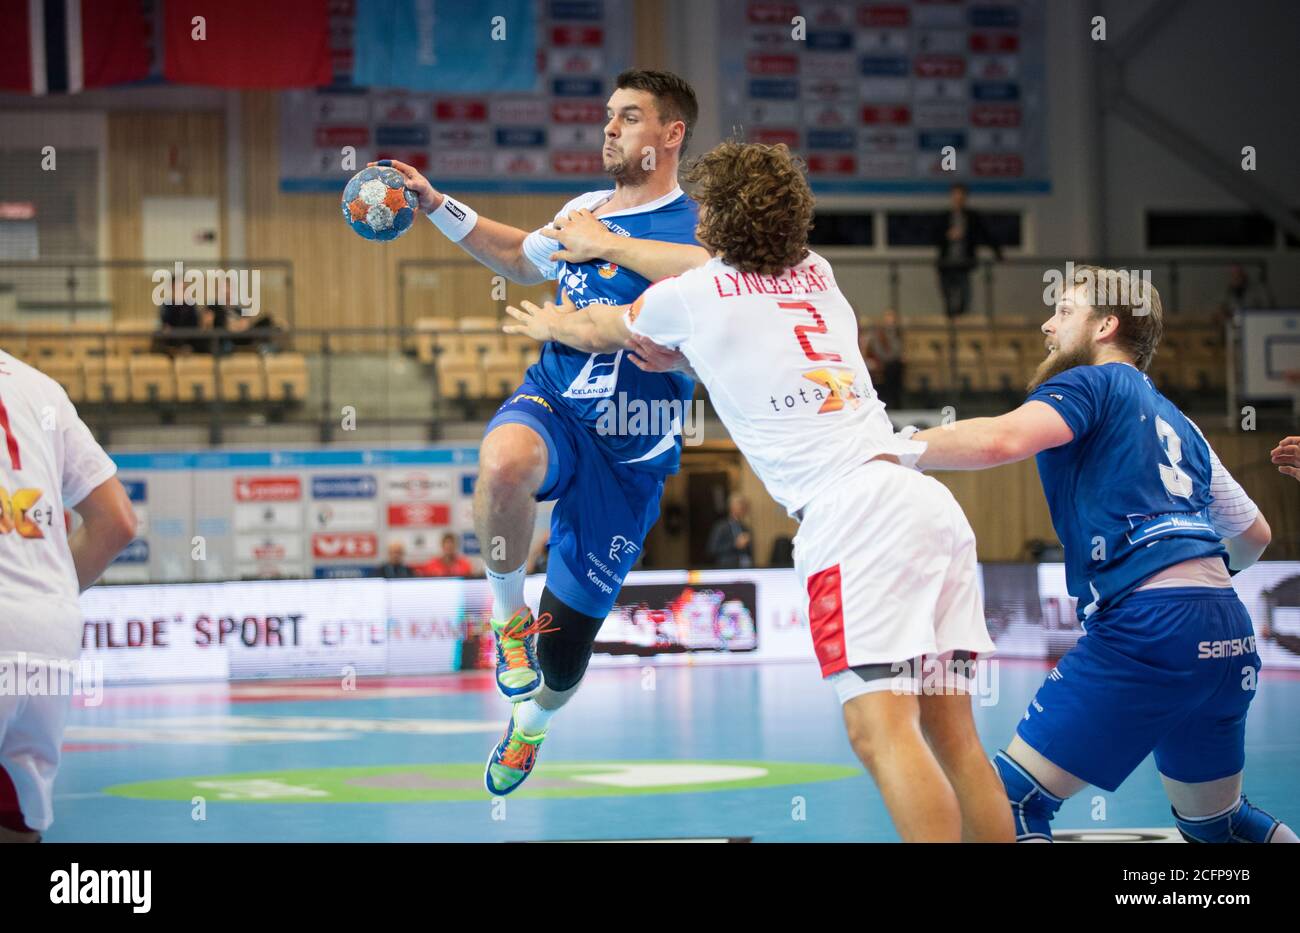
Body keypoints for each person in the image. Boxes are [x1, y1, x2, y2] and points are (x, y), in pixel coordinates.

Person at [505, 142, 1013, 842]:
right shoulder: (817, 270)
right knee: (955, 736)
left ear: (716, 217)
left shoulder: (691, 296)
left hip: (851, 516)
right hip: (921, 499)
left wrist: (549, 323)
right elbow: (735, 308)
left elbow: (600, 325)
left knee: (881, 732)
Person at [380, 70, 708, 796]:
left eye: (629, 117)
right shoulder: (582, 209)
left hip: (632, 449)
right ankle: (505, 617)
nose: (610, 129)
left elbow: (728, 329)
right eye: (608, 117)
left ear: (671, 134)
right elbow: (513, 258)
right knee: (503, 462)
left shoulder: (699, 231)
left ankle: (531, 725)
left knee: (561, 669)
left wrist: (683, 354)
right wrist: (436, 205)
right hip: (556, 406)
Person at [910, 264, 1294, 844]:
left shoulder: (1090, 383)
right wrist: (1191, 586)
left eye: (1064, 311)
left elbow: (998, 440)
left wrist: (882, 450)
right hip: (1228, 633)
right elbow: (1255, 536)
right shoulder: (1181, 422)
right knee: (1221, 826)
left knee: (1012, 803)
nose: (1047, 324)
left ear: (1106, 325)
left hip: (1148, 628)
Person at [0, 347, 136, 842]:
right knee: (17, 824)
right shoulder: (40, 387)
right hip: (49, 641)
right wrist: (46, 594)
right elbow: (118, 522)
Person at [934, 183, 1001, 318]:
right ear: (952, 197)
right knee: (948, 295)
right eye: (956, 195)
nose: (958, 198)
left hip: (964, 262)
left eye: (961, 195)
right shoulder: (944, 217)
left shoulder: (972, 217)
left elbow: (985, 234)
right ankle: (950, 320)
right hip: (946, 263)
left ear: (965, 197)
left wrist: (998, 253)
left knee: (964, 295)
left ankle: (960, 319)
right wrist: (947, 235)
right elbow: (932, 236)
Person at [863, 307, 905, 409]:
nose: (890, 320)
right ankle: (888, 401)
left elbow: (898, 351)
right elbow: (879, 352)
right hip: (883, 363)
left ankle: (897, 402)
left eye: (892, 317)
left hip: (894, 363)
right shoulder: (878, 335)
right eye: (887, 317)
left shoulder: (898, 334)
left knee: (897, 368)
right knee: (890, 369)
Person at [706, 492, 754, 568]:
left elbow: (750, 552)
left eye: (745, 507)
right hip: (727, 568)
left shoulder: (746, 528)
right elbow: (712, 549)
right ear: (732, 507)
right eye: (741, 506)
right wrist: (734, 545)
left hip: (745, 567)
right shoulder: (721, 527)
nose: (744, 509)